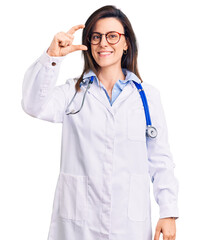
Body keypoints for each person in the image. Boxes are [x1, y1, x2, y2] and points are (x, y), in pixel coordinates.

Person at [21, 5, 179, 240]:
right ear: (89, 44)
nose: (104, 43)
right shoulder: (73, 92)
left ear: (126, 43)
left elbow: (160, 159)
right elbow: (33, 105)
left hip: (129, 225)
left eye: (112, 36)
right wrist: (51, 58)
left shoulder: (147, 96)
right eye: (96, 37)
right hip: (78, 226)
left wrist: (168, 212)